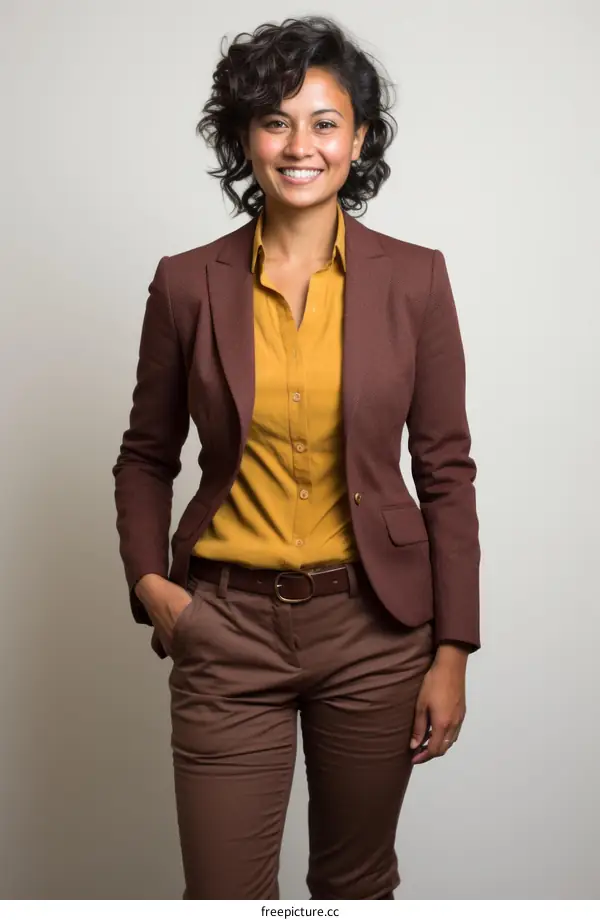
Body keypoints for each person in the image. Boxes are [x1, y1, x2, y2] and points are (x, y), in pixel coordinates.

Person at [112, 14, 481, 901]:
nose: (300, 144)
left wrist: (453, 651)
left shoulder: (416, 279)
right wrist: (150, 586)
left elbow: (445, 471)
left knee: (352, 888)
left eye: (324, 121)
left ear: (358, 137)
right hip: (226, 628)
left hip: (375, 631)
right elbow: (144, 455)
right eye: (276, 121)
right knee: (224, 896)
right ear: (247, 137)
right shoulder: (186, 282)